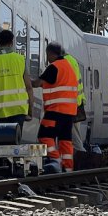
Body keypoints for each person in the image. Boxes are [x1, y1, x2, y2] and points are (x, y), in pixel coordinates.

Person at [37, 42, 79, 172]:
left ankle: (55, 161)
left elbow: (37, 83)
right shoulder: (69, 66)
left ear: (50, 53)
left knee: (44, 136)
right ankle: (68, 168)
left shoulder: (54, 67)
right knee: (65, 140)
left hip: (55, 110)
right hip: (69, 112)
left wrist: (24, 78)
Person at [62, 50, 87, 153]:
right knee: (74, 134)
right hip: (77, 102)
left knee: (74, 136)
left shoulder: (65, 61)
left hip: (71, 105)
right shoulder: (72, 60)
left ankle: (83, 156)